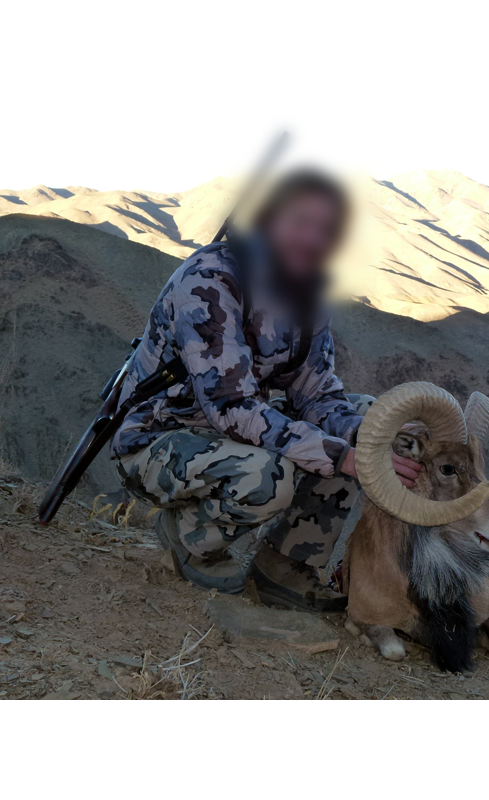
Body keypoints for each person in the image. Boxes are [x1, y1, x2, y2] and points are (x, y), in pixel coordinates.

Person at [111, 170, 422, 612]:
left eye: (326, 229)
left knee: (368, 422)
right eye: (300, 222)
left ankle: (285, 567)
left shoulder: (306, 293)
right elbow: (231, 407)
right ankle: (190, 539)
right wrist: (341, 457)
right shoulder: (210, 281)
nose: (313, 239)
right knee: (268, 475)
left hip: (232, 430)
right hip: (157, 438)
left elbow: (316, 393)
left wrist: (370, 434)